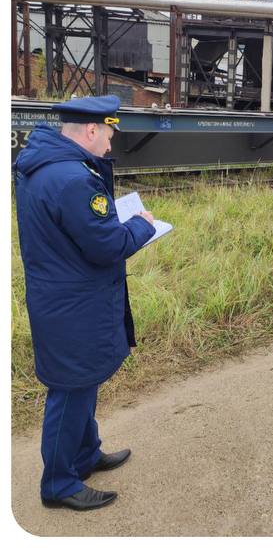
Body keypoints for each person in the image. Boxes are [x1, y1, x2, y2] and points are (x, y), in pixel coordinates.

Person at [14, 96, 157, 511]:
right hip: (71, 304)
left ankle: (85, 454)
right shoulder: (73, 179)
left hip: (63, 296)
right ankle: (58, 484)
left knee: (82, 382)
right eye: (109, 135)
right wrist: (141, 226)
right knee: (71, 390)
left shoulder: (48, 165)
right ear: (92, 130)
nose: (110, 146)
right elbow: (107, 245)